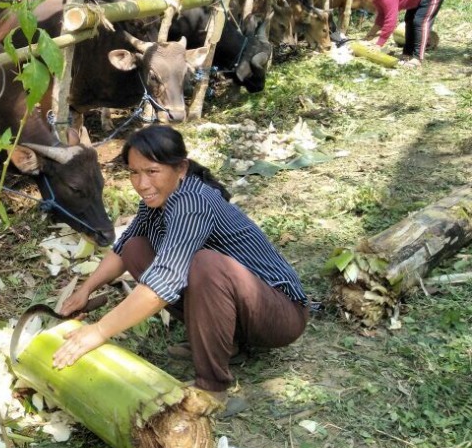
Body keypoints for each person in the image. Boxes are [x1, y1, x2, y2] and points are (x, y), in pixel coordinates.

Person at [53, 125, 308, 405]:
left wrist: (99, 331)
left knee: (206, 265)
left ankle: (212, 389)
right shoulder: (156, 200)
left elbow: (163, 283)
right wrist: (86, 289)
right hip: (242, 307)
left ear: (181, 168)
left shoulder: (193, 203)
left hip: (281, 315)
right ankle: (228, 344)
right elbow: (125, 247)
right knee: (137, 247)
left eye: (152, 171)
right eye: (134, 173)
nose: (141, 184)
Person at [357, 0, 446, 69]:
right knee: (409, 20)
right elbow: (381, 16)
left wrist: (379, 44)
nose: (364, 0)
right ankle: (407, 54)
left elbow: (391, 21)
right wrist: (370, 35)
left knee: (420, 22)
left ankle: (417, 58)